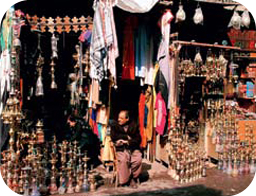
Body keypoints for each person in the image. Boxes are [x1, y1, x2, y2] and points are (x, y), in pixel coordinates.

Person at [110, 110, 142, 188]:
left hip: (132, 147)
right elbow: (113, 136)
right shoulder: (115, 125)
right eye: (118, 118)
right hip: (121, 148)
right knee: (124, 160)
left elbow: (138, 139)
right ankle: (126, 180)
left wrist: (128, 142)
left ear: (127, 119)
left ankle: (132, 176)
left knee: (138, 159)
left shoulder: (133, 125)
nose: (119, 119)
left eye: (121, 118)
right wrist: (125, 137)